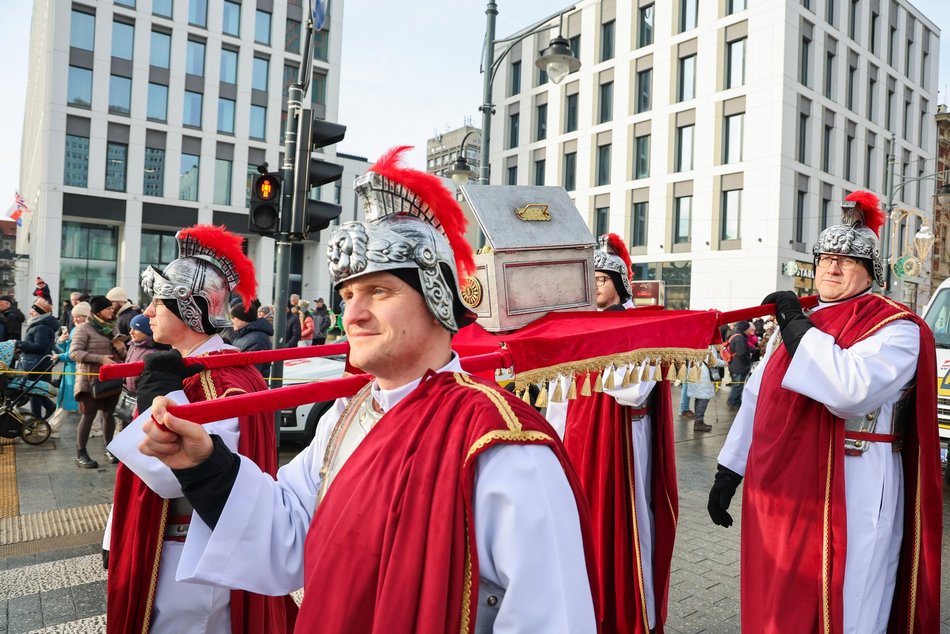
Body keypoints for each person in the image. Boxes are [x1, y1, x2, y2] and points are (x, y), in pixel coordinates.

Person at [136, 148, 598, 631]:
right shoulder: (346, 417)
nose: (352, 314)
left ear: (437, 298)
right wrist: (205, 464)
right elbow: (287, 532)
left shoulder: (504, 447)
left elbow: (552, 618)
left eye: (380, 291)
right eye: (347, 295)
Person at [708, 191, 941, 633]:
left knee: (851, 599)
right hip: (787, 484)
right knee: (783, 596)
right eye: (825, 257)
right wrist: (728, 470)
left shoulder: (896, 328)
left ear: (869, 271)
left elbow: (849, 390)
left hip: (858, 479)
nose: (832, 267)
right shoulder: (799, 325)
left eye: (846, 260)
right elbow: (758, 395)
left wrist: (796, 324)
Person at [104, 225, 297, 634]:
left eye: (158, 301)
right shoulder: (212, 371)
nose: (148, 312)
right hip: (180, 552)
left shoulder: (219, 380)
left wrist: (156, 406)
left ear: (190, 308)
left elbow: (174, 475)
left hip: (188, 560)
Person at [545, 232, 677, 634]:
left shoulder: (641, 326)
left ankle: (630, 612)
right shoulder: (577, 325)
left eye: (601, 279)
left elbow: (636, 389)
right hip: (579, 442)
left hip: (623, 444)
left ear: (618, 285)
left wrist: (589, 352)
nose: (594, 287)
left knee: (625, 527)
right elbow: (558, 392)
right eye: (591, 279)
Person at [69, 295, 127, 468]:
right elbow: (74, 353)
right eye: (108, 308)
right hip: (89, 381)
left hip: (111, 379)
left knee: (109, 415)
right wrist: (100, 359)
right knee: (88, 415)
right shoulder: (84, 328)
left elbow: (122, 356)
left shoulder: (113, 327)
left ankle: (110, 448)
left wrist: (121, 348)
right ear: (98, 312)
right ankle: (81, 453)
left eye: (111, 308)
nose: (111, 310)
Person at [17, 298, 59, 421]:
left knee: (33, 390)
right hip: (37, 363)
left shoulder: (41, 327)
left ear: (40, 313)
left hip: (37, 364)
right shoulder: (39, 325)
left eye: (33, 311)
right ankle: (46, 409)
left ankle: (36, 418)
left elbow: (40, 346)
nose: (31, 313)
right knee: (34, 390)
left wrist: (20, 344)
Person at [52, 301, 91, 424]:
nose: (75, 319)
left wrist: (60, 356)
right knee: (80, 402)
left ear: (87, 316)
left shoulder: (85, 330)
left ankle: (53, 428)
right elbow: (69, 350)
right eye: (74, 316)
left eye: (78, 316)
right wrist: (62, 341)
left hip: (77, 371)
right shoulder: (76, 329)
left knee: (69, 401)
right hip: (72, 370)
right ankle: (95, 428)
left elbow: (74, 354)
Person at [229, 299, 273, 377]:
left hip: (250, 385)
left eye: (233, 317)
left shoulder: (258, 339)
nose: (231, 320)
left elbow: (250, 372)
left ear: (243, 319)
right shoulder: (242, 334)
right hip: (240, 382)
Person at [687, 345, 725, 432]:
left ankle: (699, 421)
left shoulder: (696, 341)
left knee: (699, 398)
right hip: (703, 375)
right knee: (703, 399)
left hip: (695, 372)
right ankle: (698, 422)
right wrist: (724, 363)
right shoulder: (709, 345)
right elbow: (712, 360)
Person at [725, 320, 753, 410]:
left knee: (735, 385)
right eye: (748, 329)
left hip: (734, 364)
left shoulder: (734, 335)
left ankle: (732, 401)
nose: (750, 331)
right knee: (738, 385)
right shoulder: (739, 338)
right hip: (739, 365)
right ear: (744, 329)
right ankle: (734, 403)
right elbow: (741, 353)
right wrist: (747, 363)